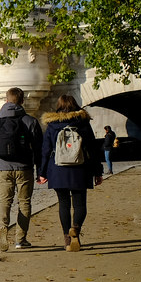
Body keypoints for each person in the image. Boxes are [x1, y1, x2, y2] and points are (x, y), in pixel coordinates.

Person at [37, 95, 103, 251]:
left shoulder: (52, 125)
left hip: (57, 169)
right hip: (80, 169)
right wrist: (97, 172)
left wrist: (42, 172)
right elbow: (93, 150)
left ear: (58, 106)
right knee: (80, 204)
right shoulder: (83, 123)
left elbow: (45, 151)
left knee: (64, 204)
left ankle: (67, 238)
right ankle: (76, 229)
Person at [0, 87, 43, 251]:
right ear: (22, 101)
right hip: (24, 168)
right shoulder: (30, 121)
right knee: (24, 203)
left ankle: (2, 229)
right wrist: (40, 172)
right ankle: (20, 239)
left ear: (6, 100)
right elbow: (39, 149)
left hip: (3, 167)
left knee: (5, 201)